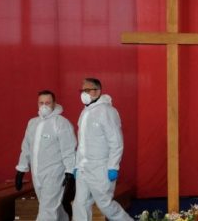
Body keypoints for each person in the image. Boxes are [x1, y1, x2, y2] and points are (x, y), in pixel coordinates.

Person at [72, 78, 133, 221]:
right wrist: (77, 165)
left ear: (98, 91)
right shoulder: (85, 113)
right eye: (82, 90)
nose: (84, 93)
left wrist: (113, 166)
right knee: (79, 204)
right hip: (83, 168)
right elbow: (82, 145)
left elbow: (116, 142)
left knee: (105, 204)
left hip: (101, 168)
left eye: (87, 90)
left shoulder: (107, 112)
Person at [15, 90, 77, 221]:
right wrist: (21, 169)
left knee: (47, 211)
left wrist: (70, 171)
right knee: (54, 208)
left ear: (54, 103)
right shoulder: (33, 123)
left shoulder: (61, 123)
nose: (44, 106)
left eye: (47, 103)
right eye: (41, 103)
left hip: (55, 174)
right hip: (37, 174)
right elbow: (26, 147)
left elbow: (69, 149)